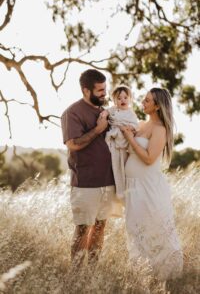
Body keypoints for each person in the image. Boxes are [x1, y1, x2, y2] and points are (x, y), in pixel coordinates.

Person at [121, 88, 183, 280]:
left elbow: (149, 158)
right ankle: (142, 273)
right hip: (132, 186)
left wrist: (130, 138)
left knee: (155, 228)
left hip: (149, 187)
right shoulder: (139, 125)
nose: (143, 102)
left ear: (157, 106)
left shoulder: (160, 130)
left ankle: (167, 275)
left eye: (147, 101)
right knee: (135, 228)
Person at [61, 69, 116, 268]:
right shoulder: (72, 113)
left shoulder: (107, 111)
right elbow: (73, 143)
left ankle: (93, 272)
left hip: (108, 182)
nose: (104, 93)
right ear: (86, 90)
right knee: (83, 229)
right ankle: (76, 276)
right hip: (85, 183)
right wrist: (98, 130)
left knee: (100, 227)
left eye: (105, 89)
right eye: (100, 90)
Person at [101, 85, 138, 199]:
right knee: (115, 166)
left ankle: (124, 192)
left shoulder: (131, 113)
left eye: (125, 97)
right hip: (113, 143)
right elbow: (106, 111)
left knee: (124, 168)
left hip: (124, 143)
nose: (123, 100)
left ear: (130, 99)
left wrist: (127, 128)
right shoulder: (113, 110)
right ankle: (117, 190)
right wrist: (105, 114)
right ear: (114, 100)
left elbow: (135, 126)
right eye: (119, 98)